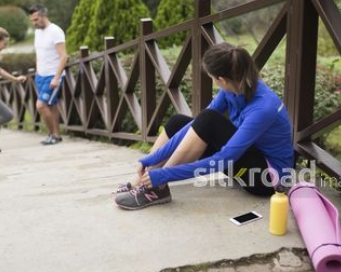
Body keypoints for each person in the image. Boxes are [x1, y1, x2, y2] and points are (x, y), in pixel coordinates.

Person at [115, 42, 294, 210]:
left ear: (222, 79)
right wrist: (150, 159)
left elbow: (224, 158)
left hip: (266, 179)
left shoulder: (263, 108)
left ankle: (157, 186)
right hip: (248, 157)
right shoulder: (233, 88)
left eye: (212, 78)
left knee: (209, 120)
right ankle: (143, 182)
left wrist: (166, 174)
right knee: (178, 122)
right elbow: (196, 125)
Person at [28, 4, 68, 145]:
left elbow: (64, 57)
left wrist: (57, 78)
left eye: (36, 19)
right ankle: (56, 134)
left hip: (52, 75)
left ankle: (53, 134)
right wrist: (37, 72)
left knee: (41, 105)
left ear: (44, 16)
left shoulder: (56, 31)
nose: (34, 23)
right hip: (40, 75)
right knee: (52, 105)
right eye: (32, 20)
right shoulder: (37, 32)